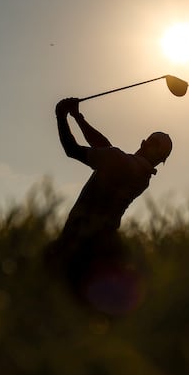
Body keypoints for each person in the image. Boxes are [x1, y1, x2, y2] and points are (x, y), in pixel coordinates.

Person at [48, 97, 173, 313]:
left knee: (54, 296)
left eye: (150, 142)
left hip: (77, 239)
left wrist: (61, 115)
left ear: (145, 143)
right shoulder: (140, 175)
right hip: (103, 243)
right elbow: (104, 146)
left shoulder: (121, 162)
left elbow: (72, 149)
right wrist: (78, 117)